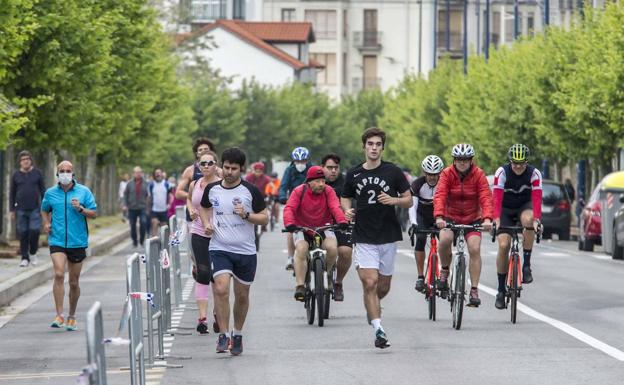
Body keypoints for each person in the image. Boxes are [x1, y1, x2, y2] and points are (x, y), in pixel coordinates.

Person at [341, 127, 412, 349]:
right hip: (363, 235)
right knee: (369, 283)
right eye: (370, 144)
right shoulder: (353, 174)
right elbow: (345, 197)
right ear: (364, 147)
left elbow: (408, 200)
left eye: (378, 144)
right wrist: (347, 210)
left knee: (382, 287)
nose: (374, 148)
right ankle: (378, 329)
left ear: (382, 147)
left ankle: (373, 308)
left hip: (388, 234)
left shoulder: (393, 172)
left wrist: (394, 201)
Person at [199, 147, 268, 356]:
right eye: (226, 167)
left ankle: (237, 334)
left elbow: (264, 217)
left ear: (241, 169)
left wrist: (246, 215)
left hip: (245, 251)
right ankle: (224, 335)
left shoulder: (250, 191)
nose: (229, 172)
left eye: (234, 168)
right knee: (220, 289)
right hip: (219, 247)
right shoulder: (212, 190)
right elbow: (203, 207)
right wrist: (206, 223)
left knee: (242, 296)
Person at [433, 143, 493, 308]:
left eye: (465, 160)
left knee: (474, 249)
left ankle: (474, 290)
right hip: (449, 217)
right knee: (444, 240)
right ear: (454, 160)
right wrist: (439, 216)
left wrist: (487, 219)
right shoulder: (446, 174)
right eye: (459, 159)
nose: (462, 163)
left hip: (472, 218)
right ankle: (445, 271)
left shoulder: (478, 174)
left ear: (471, 160)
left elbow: (486, 197)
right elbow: (440, 195)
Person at [41, 161, 97, 331]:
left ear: (73, 174)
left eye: (68, 171)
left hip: (77, 241)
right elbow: (44, 209)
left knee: (73, 282)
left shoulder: (83, 191)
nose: (65, 173)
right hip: (57, 240)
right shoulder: (50, 193)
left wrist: (80, 209)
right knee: (59, 274)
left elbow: (93, 213)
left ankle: (72, 316)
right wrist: (46, 223)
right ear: (57, 174)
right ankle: (59, 315)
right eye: (61, 171)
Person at [283, 165, 348, 301]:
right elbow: (289, 208)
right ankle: (300, 285)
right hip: (303, 227)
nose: (321, 184)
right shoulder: (298, 191)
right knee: (301, 249)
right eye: (318, 181)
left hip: (324, 227)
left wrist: (341, 220)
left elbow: (335, 207)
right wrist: (289, 224)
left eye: (323, 181)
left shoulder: (329, 191)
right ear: (309, 182)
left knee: (332, 248)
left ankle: (327, 273)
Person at [492, 144, 542, 309]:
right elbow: (497, 198)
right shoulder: (502, 172)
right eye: (515, 163)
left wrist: (537, 220)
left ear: (527, 162)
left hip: (524, 206)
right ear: (510, 161)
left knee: (529, 220)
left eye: (522, 163)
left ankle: (526, 265)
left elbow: (536, 198)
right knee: (504, 244)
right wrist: (496, 219)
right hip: (505, 209)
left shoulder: (534, 174)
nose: (518, 167)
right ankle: (500, 290)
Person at [187, 152, 221, 334]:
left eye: (210, 163)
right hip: (198, 232)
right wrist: (192, 210)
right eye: (203, 163)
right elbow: (189, 200)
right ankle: (202, 318)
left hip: (219, 235)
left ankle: (218, 313)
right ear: (198, 166)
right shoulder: (195, 184)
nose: (206, 166)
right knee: (203, 272)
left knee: (218, 277)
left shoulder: (221, 185)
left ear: (216, 165)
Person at [408, 155, 444, 293]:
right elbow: (412, 206)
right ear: (424, 172)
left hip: (439, 216)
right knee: (421, 239)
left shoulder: (444, 183)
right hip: (422, 216)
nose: (432, 178)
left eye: (435, 174)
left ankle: (443, 276)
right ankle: (420, 276)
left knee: (445, 241)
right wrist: (414, 223)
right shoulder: (417, 184)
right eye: (429, 174)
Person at [321, 153, 351, 301]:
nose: (333, 171)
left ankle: (338, 282)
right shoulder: (315, 180)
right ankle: (310, 278)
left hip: (341, 223)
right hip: (318, 223)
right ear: (322, 168)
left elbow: (354, 200)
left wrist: (351, 213)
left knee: (345, 252)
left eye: (336, 168)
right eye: (329, 167)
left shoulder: (346, 181)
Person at [278, 147, 312, 270]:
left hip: (312, 203)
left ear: (307, 160)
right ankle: (290, 258)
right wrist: (282, 197)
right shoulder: (289, 170)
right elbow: (283, 186)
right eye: (297, 161)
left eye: (303, 161)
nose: (300, 164)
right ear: (293, 161)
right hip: (294, 203)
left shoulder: (312, 169)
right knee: (290, 229)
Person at [10, 150, 45, 267]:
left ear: (31, 161)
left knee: (34, 231)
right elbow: (12, 193)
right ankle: (24, 258)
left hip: (35, 208)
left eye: (27, 159)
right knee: (23, 233)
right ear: (20, 162)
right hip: (20, 209)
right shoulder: (15, 175)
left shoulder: (38, 173)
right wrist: (11, 210)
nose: (25, 161)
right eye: (23, 160)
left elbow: (43, 191)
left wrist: (45, 207)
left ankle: (33, 253)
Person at [124, 166, 149, 248]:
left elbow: (148, 195)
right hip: (132, 207)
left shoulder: (146, 183)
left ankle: (141, 240)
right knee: (132, 225)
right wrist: (125, 205)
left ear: (141, 173)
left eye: (139, 172)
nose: (138, 174)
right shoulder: (129, 184)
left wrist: (148, 205)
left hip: (142, 207)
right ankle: (134, 241)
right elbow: (125, 194)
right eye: (136, 172)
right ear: (133, 174)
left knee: (143, 222)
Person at [148, 168, 171, 236]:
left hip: (164, 210)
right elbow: (149, 197)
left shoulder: (166, 184)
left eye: (159, 173)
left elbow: (171, 196)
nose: (158, 174)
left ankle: (164, 244)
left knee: (164, 229)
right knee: (154, 223)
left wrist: (169, 204)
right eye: (156, 173)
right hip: (154, 209)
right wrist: (148, 208)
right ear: (154, 175)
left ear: (161, 174)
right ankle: (154, 242)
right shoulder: (151, 185)